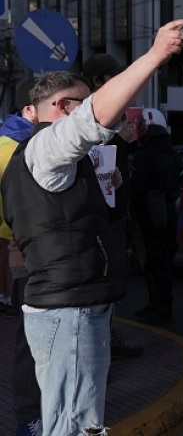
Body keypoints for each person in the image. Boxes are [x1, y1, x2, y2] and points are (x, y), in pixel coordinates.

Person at [1, 19, 183, 436]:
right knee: (74, 424)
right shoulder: (47, 146)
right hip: (68, 309)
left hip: (75, 303)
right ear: (65, 109)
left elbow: (75, 221)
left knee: (78, 421)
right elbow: (91, 121)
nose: (102, 108)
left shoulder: (56, 158)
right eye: (86, 102)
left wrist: (109, 187)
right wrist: (156, 53)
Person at [82, 53, 146, 361]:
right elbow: (90, 158)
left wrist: (128, 141)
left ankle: (108, 338)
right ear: (97, 82)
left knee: (114, 280)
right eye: (113, 77)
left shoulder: (114, 109)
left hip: (116, 208)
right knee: (101, 283)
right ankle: (101, 346)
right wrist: (118, 139)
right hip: (99, 214)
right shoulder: (87, 113)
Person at [1, 79, 43, 436]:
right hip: (23, 246)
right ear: (29, 110)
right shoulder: (23, 147)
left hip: (14, 243)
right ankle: (30, 418)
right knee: (30, 341)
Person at [129, 108, 182, 324]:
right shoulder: (172, 154)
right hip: (168, 213)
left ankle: (159, 306)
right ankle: (160, 305)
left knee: (153, 262)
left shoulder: (145, 154)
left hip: (149, 216)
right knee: (164, 262)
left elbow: (137, 188)